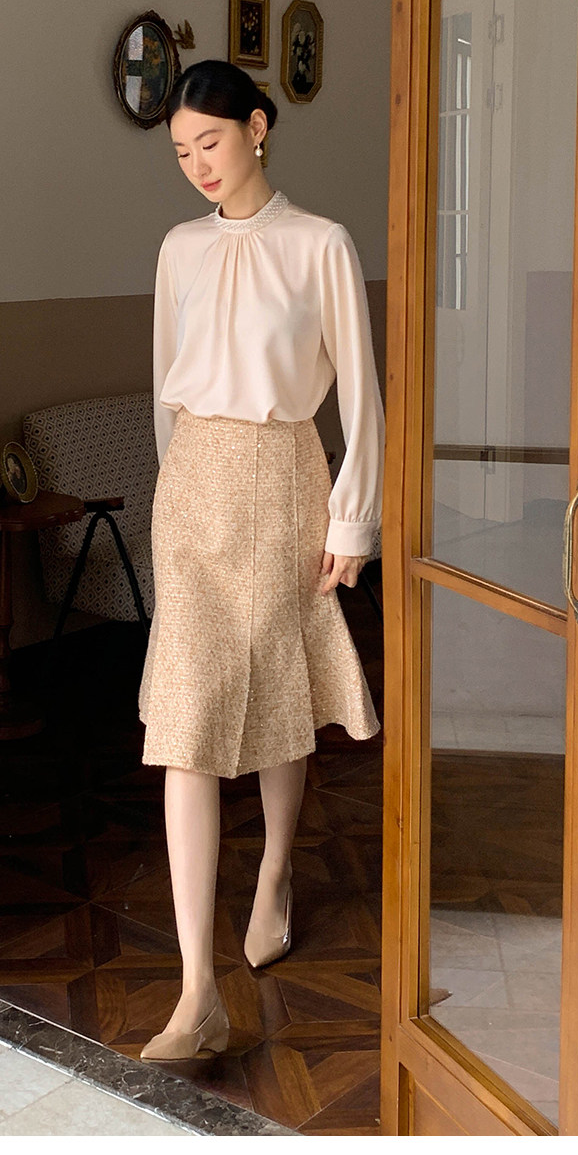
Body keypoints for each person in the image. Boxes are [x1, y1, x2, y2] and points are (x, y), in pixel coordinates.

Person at [137, 58, 384, 1061]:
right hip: (193, 490)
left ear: (257, 127)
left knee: (281, 691)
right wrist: (175, 492)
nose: (198, 163)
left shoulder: (321, 243)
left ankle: (276, 870)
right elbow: (165, 382)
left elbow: (361, 394)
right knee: (184, 723)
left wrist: (351, 521)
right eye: (181, 151)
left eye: (211, 140)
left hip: (285, 480)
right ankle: (197, 991)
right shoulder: (178, 248)